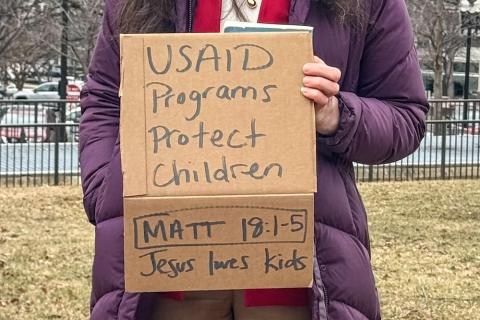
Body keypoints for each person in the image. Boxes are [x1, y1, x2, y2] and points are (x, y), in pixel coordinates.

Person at [79, 0, 428, 319]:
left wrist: (338, 115)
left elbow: (405, 114)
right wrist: (103, 188)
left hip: (297, 278)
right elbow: (104, 99)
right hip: (163, 272)